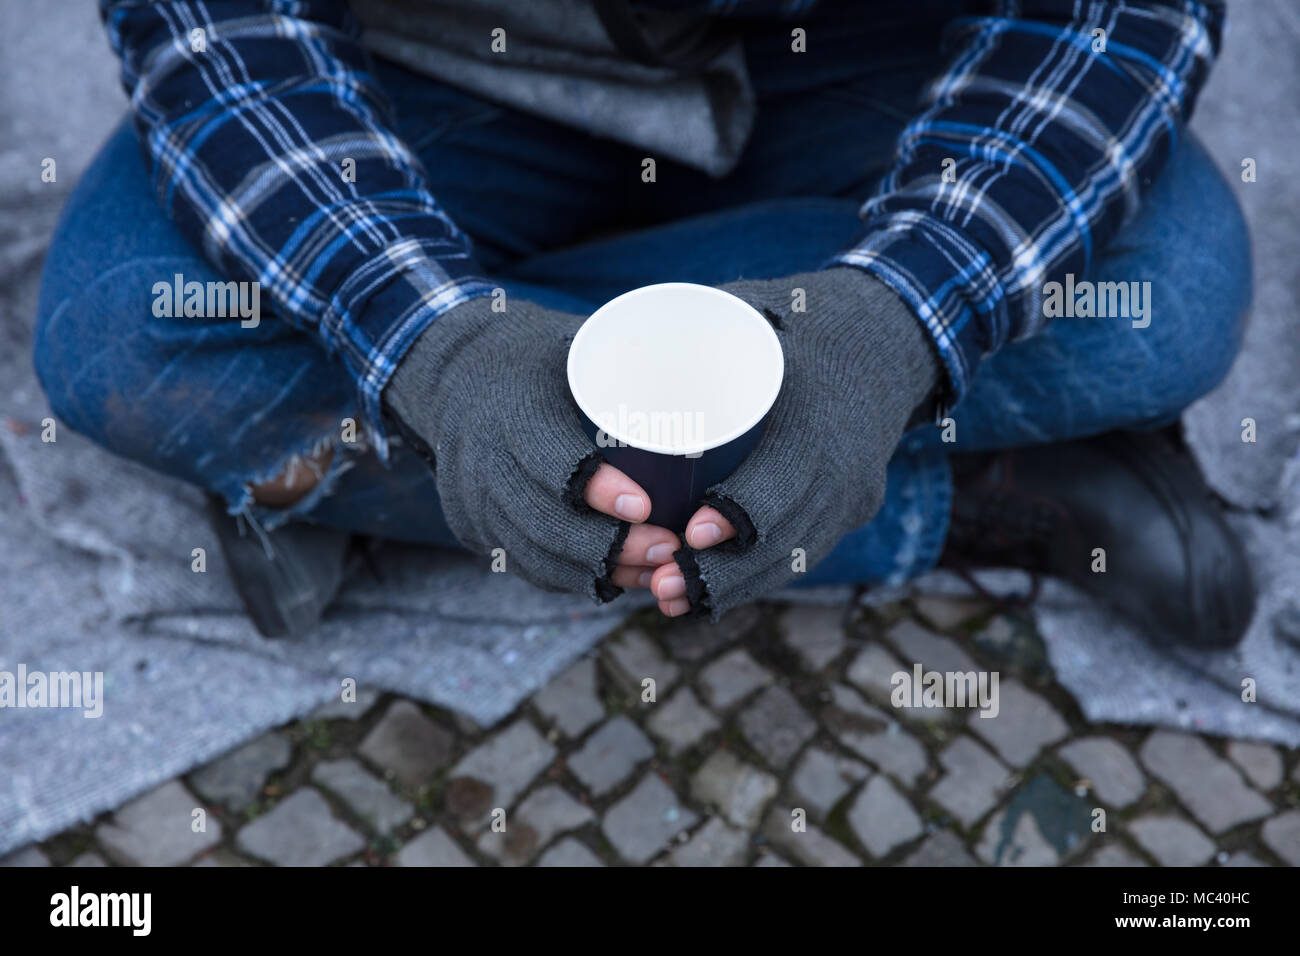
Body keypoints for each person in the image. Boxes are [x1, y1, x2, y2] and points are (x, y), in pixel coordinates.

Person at [34, 0, 1254, 645]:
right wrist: (430, 338)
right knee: (124, 335)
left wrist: (902, 314)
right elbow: (219, 21)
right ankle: (949, 482)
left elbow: (1111, 14)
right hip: (439, 71)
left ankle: (349, 462)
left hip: (852, 57)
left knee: (1174, 289)